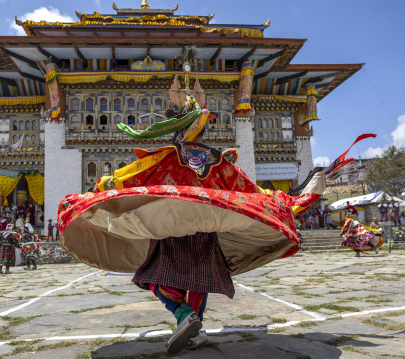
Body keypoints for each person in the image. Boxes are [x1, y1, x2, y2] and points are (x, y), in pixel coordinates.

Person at [56, 78, 376, 353]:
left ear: (179, 130)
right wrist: (302, 189)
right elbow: (250, 192)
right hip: (206, 229)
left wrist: (101, 188)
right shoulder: (219, 160)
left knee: (151, 277)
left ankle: (184, 316)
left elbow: (128, 178)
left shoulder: (166, 157)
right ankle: (197, 329)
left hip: (168, 226)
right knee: (201, 277)